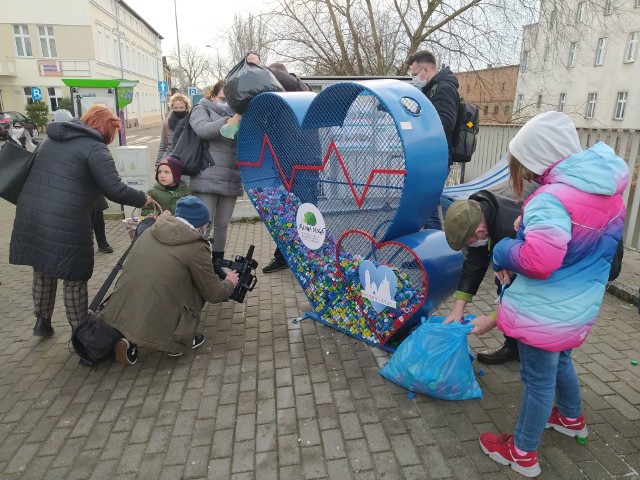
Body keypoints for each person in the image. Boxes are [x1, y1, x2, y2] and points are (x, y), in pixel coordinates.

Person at [467, 112, 628, 478]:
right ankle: (571, 418)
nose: (521, 175)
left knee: (537, 381)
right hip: (579, 306)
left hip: (546, 311)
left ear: (536, 159)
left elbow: (540, 261)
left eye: (521, 166)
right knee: (562, 363)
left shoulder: (550, 198)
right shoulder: (606, 190)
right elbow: (578, 245)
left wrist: (504, 249)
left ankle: (522, 452)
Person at [9, 104, 152, 338]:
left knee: (43, 269)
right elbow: (114, 188)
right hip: (67, 218)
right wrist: (142, 198)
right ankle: (81, 331)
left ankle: (41, 322)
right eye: (111, 130)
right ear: (103, 126)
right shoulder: (94, 147)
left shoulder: (51, 140)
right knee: (74, 274)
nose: (111, 136)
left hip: (33, 214)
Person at [97, 196, 240, 364]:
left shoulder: (149, 230)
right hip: (159, 305)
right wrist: (230, 282)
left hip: (122, 304)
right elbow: (214, 294)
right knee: (195, 287)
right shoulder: (196, 246)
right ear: (200, 226)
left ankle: (128, 338)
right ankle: (177, 341)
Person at [442, 181, 536, 364]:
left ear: (481, 231)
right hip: (516, 250)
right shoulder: (475, 210)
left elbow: (530, 288)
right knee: (503, 284)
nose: (471, 247)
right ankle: (512, 347)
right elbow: (475, 260)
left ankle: (529, 352)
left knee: (511, 286)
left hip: (542, 266)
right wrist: (458, 307)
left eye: (469, 242)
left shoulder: (514, 228)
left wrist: (493, 319)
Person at [189, 80, 244, 279]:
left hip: (231, 177)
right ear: (213, 96)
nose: (225, 103)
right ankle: (198, 266)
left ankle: (217, 264)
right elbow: (203, 130)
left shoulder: (238, 115)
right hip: (207, 175)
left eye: (229, 100)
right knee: (205, 224)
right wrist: (228, 121)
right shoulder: (201, 108)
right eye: (222, 99)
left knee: (222, 224)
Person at [261, 62, 312, 274]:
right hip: (284, 166)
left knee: (306, 213)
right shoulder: (278, 106)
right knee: (285, 213)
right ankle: (284, 256)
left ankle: (306, 258)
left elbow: (293, 83)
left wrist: (264, 71)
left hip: (305, 165)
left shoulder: (301, 90)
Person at [406, 50, 459, 230]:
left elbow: (445, 124)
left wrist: (417, 125)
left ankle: (433, 254)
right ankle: (428, 254)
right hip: (431, 158)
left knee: (427, 210)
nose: (414, 79)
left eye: (415, 75)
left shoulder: (443, 88)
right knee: (425, 210)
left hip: (437, 159)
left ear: (426, 70)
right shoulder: (430, 90)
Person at [156, 92, 190, 165]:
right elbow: (162, 146)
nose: (178, 110)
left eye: (181, 108)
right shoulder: (167, 124)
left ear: (186, 108)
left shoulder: (191, 123)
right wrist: (158, 164)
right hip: (168, 163)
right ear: (171, 108)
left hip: (186, 163)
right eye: (175, 108)